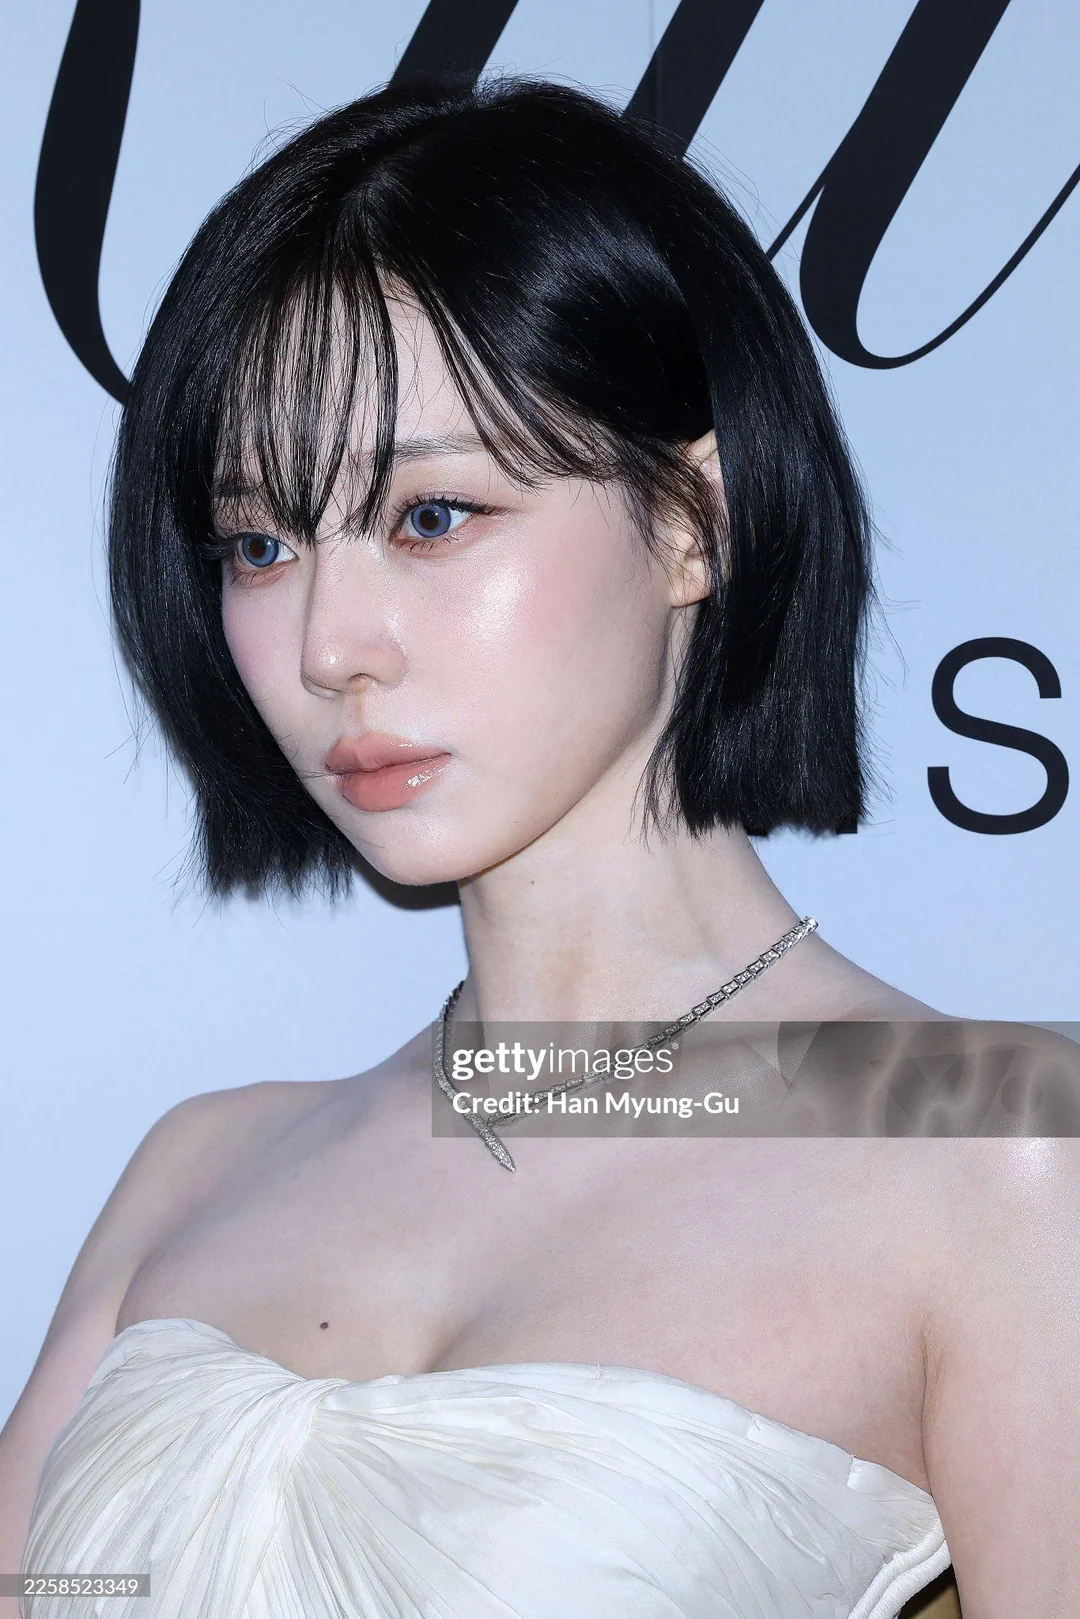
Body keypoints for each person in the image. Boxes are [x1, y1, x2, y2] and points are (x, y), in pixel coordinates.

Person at [2, 72, 1077, 1619]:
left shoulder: (1001, 1150)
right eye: (262, 541)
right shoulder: (198, 1167)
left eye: (432, 517)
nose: (328, 644)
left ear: (693, 519)